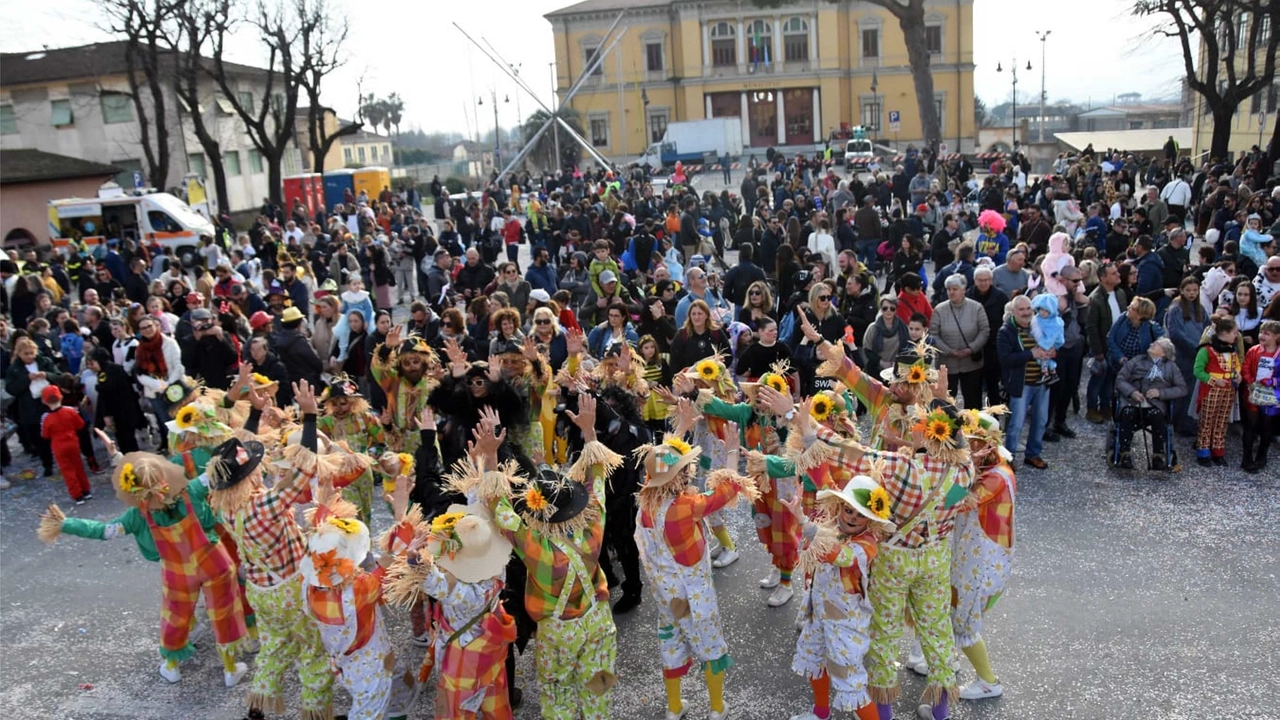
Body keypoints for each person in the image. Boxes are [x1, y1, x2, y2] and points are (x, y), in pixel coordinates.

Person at [39, 436, 249, 687]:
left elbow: (104, 531)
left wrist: (65, 524)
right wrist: (245, 451)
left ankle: (171, 667)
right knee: (224, 611)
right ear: (165, 478)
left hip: (178, 573)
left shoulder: (136, 516)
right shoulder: (191, 489)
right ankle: (230, 669)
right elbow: (223, 468)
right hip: (215, 563)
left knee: (176, 617)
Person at [467, 397, 623, 720]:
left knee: (557, 698)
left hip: (555, 632)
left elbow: (498, 507)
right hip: (597, 623)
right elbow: (598, 485)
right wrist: (590, 432)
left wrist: (491, 455)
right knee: (598, 695)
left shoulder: (533, 545)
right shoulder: (592, 526)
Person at [635, 407, 757, 720]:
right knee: (710, 646)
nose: (689, 473)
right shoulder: (688, 505)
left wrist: (681, 429)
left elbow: (659, 468)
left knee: (671, 644)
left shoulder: (646, 505)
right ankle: (717, 708)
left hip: (666, 594)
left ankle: (674, 708)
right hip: (695, 594)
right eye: (685, 470)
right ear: (679, 478)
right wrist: (731, 452)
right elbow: (726, 490)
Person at [1113, 337, 1186, 470]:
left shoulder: (1170, 367)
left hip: (1155, 405)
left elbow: (1182, 389)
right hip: (1133, 402)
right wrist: (1132, 392)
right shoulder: (1137, 360)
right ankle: (1125, 454)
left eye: (1156, 344)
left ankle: (1158, 456)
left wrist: (1161, 393)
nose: (1151, 344)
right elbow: (1120, 379)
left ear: (1163, 353)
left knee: (1157, 416)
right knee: (1127, 413)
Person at [998, 295, 1052, 469]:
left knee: (1041, 421)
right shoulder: (1006, 331)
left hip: (1042, 382)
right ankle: (1009, 457)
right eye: (1021, 309)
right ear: (1013, 312)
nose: (1026, 312)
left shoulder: (1041, 326)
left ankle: (1033, 454)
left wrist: (1052, 352)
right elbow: (1005, 359)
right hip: (1021, 385)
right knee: (1016, 424)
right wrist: (1031, 355)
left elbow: (1053, 344)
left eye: (1029, 308)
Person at [929, 274, 989, 408]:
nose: (951, 292)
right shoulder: (939, 309)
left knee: (973, 400)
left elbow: (984, 331)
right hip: (947, 363)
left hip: (971, 364)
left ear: (964, 290)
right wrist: (948, 351)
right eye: (949, 289)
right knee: (946, 402)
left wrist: (972, 348)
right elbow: (933, 334)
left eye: (955, 289)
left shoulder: (976, 307)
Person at [1193, 315, 1241, 466]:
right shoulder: (1206, 350)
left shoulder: (1232, 351)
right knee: (1207, 421)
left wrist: (1238, 375)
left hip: (1228, 390)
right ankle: (1203, 452)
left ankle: (1218, 451)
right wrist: (1213, 380)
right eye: (1234, 333)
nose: (1236, 336)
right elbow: (1198, 370)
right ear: (1225, 333)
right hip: (1211, 391)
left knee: (1221, 421)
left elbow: (1236, 365)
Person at [39, 385, 93, 504]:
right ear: (61, 397)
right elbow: (80, 425)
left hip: (58, 446)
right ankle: (86, 491)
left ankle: (77, 495)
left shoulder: (46, 417)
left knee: (67, 470)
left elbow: (45, 435)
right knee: (78, 466)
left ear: (44, 401)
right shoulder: (70, 411)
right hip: (73, 442)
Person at [1240, 320, 1280, 473]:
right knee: (1250, 426)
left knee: (1267, 426)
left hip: (1272, 395)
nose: (1262, 336)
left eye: (1267, 334)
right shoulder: (1254, 350)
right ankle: (1246, 458)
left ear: (1277, 336)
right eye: (1261, 332)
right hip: (1254, 393)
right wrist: (1250, 381)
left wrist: (1271, 381)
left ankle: (1262, 455)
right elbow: (1246, 367)